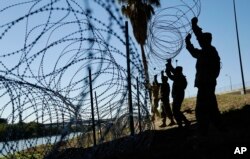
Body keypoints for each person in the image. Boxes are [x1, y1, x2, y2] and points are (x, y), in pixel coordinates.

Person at [185, 17, 223, 135]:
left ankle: (204, 131)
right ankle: (219, 129)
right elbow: (193, 51)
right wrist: (188, 42)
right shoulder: (204, 53)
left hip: (206, 84)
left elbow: (200, 38)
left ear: (207, 41)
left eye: (203, 40)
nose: (201, 42)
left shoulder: (210, 51)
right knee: (211, 108)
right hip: (205, 84)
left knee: (201, 109)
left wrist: (194, 26)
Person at [166, 59, 190, 128]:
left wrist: (168, 67)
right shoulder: (180, 76)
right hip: (178, 95)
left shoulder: (178, 77)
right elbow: (172, 71)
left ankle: (182, 123)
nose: (175, 72)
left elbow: (170, 74)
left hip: (177, 96)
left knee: (175, 111)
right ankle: (184, 122)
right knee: (176, 110)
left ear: (178, 71)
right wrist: (169, 65)